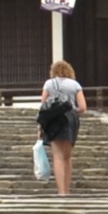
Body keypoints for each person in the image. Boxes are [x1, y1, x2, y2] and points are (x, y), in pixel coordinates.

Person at [35, 56, 84, 196]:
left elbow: (43, 106)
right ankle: (67, 191)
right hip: (70, 119)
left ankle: (61, 192)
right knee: (67, 157)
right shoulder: (75, 85)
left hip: (53, 120)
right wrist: (71, 111)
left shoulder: (49, 83)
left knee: (57, 156)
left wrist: (41, 127)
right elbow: (83, 107)